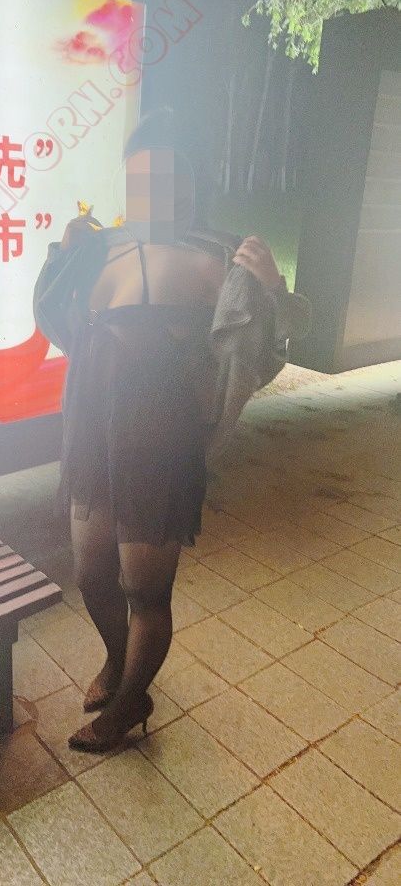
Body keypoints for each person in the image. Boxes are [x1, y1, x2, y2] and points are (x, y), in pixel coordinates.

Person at [33, 136, 310, 754]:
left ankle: (129, 704)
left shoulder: (221, 258)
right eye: (141, 180)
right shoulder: (99, 248)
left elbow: (266, 351)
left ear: (190, 187)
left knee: (146, 592)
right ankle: (116, 659)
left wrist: (271, 286)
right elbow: (57, 322)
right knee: (91, 572)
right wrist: (63, 257)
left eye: (168, 179)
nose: (154, 192)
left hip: (161, 444)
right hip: (92, 434)